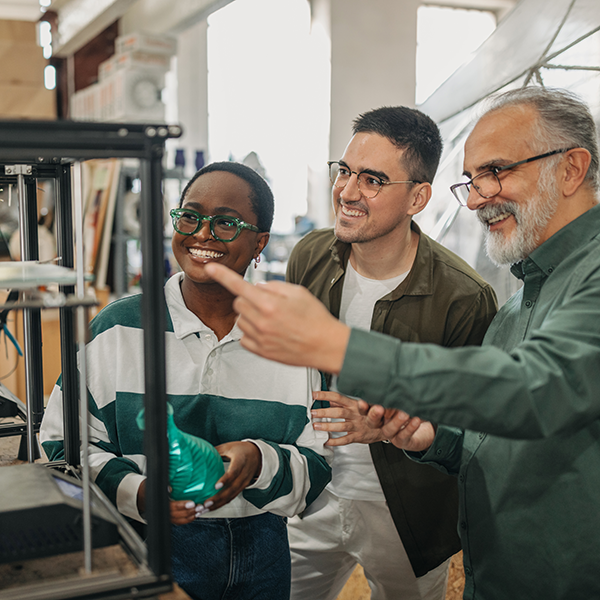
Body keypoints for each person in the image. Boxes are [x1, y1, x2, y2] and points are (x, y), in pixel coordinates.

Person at [205, 86, 600, 600]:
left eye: (495, 172)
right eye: (473, 179)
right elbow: (490, 435)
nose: (478, 198)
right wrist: (428, 435)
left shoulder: (503, 292)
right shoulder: (517, 307)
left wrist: (338, 345)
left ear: (571, 169)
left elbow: (535, 390)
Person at [40, 161, 332, 600]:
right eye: (190, 216)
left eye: (226, 222)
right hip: (146, 541)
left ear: (260, 243)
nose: (203, 234)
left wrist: (259, 460)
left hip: (263, 551)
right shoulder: (119, 329)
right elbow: (61, 445)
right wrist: (137, 493)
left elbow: (322, 461)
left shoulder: (292, 339)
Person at [285, 106, 497, 600]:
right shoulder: (310, 258)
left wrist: (392, 422)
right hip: (312, 488)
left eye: (374, 180)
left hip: (407, 510)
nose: (348, 192)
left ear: (418, 197)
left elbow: (476, 429)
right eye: (346, 171)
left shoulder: (464, 297)